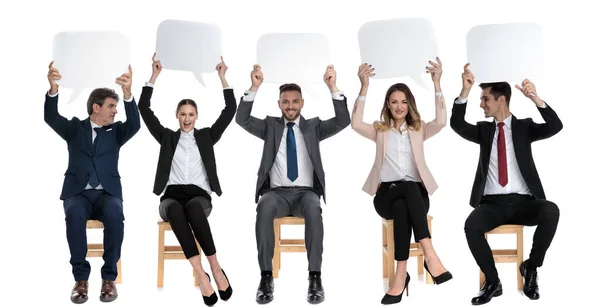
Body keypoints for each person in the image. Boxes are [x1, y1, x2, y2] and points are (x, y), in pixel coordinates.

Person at [235, 64, 350, 304]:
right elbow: (242, 120)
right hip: (276, 194)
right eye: (285, 102)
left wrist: (332, 87)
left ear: (302, 103)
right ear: (279, 104)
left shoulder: (314, 127)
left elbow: (342, 121)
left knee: (314, 209)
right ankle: (266, 276)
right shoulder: (270, 126)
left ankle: (315, 277)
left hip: (305, 194)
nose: (290, 106)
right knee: (264, 206)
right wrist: (254, 87)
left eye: (295, 101)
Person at [450, 63, 563, 305]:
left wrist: (535, 98)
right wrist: (465, 91)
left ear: (502, 100)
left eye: (485, 99)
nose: (482, 104)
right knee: (471, 226)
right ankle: (493, 281)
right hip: (492, 205)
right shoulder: (483, 131)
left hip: (523, 203)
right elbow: (457, 125)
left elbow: (556, 126)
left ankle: (531, 268)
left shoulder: (524, 128)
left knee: (551, 210)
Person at [351, 58, 453, 305]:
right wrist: (364, 87)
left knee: (403, 205)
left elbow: (441, 121)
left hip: (417, 196)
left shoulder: (419, 128)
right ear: (388, 104)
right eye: (394, 102)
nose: (399, 107)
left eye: (404, 102)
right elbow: (355, 123)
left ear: (410, 105)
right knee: (401, 193)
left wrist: (437, 83)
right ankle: (430, 253)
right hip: (385, 194)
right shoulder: (379, 130)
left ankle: (400, 275)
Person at [138, 54, 235, 306]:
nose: (187, 118)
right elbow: (144, 110)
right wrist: (154, 76)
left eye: (191, 114)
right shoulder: (167, 137)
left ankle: (214, 267)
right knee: (174, 209)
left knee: (192, 207)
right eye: (183, 114)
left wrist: (222, 77)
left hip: (199, 197)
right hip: (170, 196)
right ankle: (200, 273)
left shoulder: (206, 137)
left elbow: (229, 111)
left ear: (197, 116)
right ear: (177, 116)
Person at [44, 61, 140, 303]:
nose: (115, 111)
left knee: (116, 213)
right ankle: (81, 279)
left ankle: (109, 279)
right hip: (78, 193)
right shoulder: (75, 129)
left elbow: (135, 124)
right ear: (95, 107)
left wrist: (128, 95)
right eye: (111, 106)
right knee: (74, 213)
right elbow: (50, 116)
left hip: (108, 194)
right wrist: (53, 89)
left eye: (117, 107)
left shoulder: (117, 132)